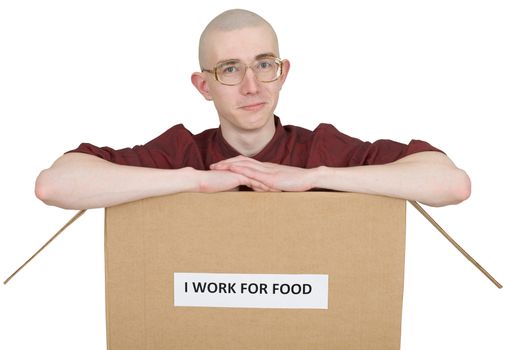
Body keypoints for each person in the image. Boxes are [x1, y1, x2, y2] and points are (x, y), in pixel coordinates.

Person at [34, 9, 471, 210]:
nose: (251, 85)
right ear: (203, 85)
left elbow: (451, 185)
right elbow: (55, 185)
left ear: (282, 72)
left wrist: (313, 178)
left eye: (264, 65)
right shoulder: (178, 153)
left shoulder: (321, 148)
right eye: (230, 69)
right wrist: (194, 182)